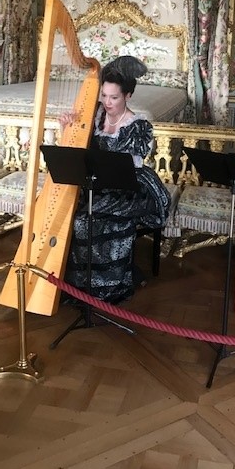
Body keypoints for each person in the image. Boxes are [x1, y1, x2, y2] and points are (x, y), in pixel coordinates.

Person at [64, 55, 171, 304]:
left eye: (114, 97)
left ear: (127, 96)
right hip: (98, 182)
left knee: (87, 220)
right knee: (77, 216)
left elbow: (128, 169)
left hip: (129, 186)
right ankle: (82, 284)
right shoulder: (95, 115)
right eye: (104, 95)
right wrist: (67, 128)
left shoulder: (138, 126)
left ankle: (108, 287)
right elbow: (76, 148)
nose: (107, 102)